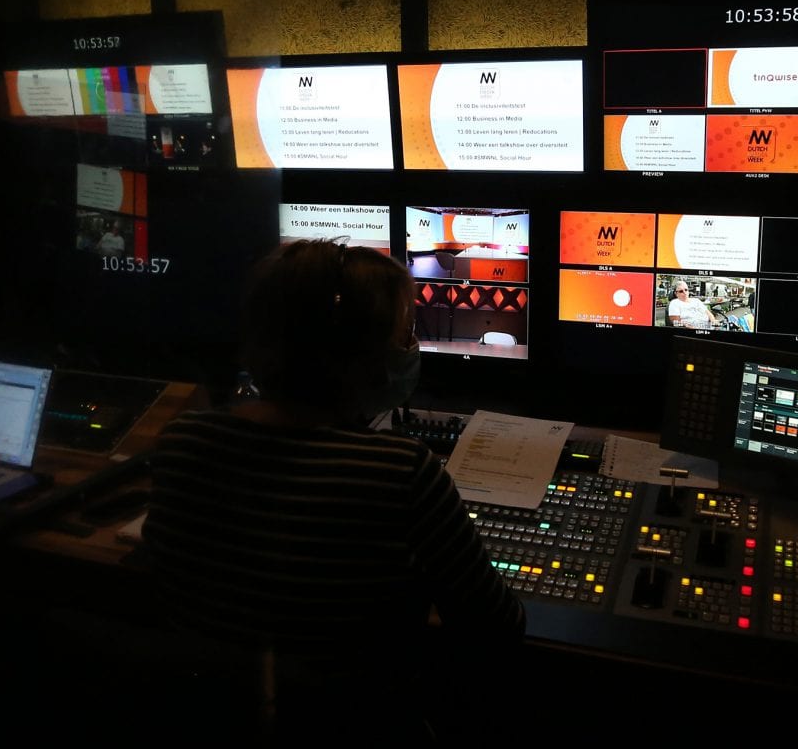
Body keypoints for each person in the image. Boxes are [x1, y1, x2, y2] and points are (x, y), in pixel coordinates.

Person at [139, 239, 524, 734]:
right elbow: (496, 628)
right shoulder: (402, 471)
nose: (409, 348)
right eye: (403, 335)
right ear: (362, 357)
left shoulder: (183, 440)